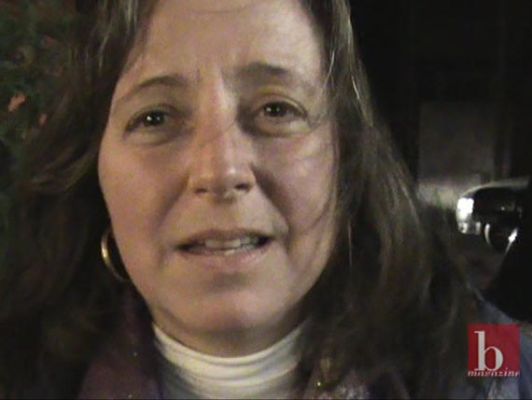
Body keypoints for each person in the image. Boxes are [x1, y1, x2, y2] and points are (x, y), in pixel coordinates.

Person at [0, 0, 530, 398]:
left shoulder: (490, 361)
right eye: (156, 118)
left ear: (346, 157)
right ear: (93, 168)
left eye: (276, 110)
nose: (220, 172)